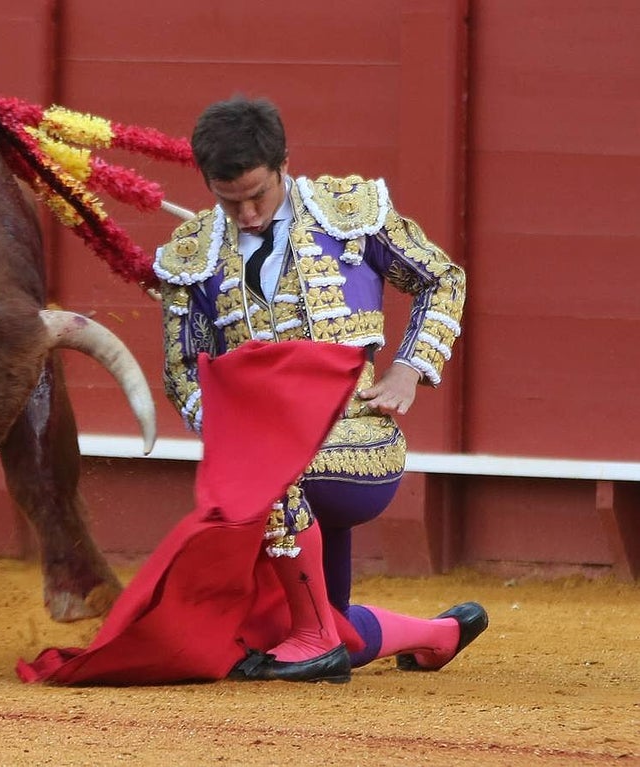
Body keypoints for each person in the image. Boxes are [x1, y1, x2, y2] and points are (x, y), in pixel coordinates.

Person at [154, 97, 487, 682]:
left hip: (354, 439)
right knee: (303, 624)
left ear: (284, 162)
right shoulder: (193, 253)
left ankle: (316, 639)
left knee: (273, 494)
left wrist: (410, 366)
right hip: (266, 455)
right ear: (206, 181)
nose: (249, 213)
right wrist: (229, 431)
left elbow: (443, 278)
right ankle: (438, 635)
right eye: (230, 201)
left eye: (259, 194)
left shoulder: (347, 213)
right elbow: (184, 370)